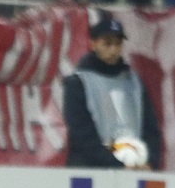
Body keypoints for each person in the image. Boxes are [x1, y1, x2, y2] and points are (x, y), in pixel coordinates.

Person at [62, 12, 163, 170]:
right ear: (93, 44)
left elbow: (151, 128)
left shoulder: (134, 82)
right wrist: (117, 165)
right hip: (91, 170)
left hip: (135, 168)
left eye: (118, 44)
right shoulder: (78, 82)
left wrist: (150, 161)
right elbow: (82, 134)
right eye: (107, 44)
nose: (114, 49)